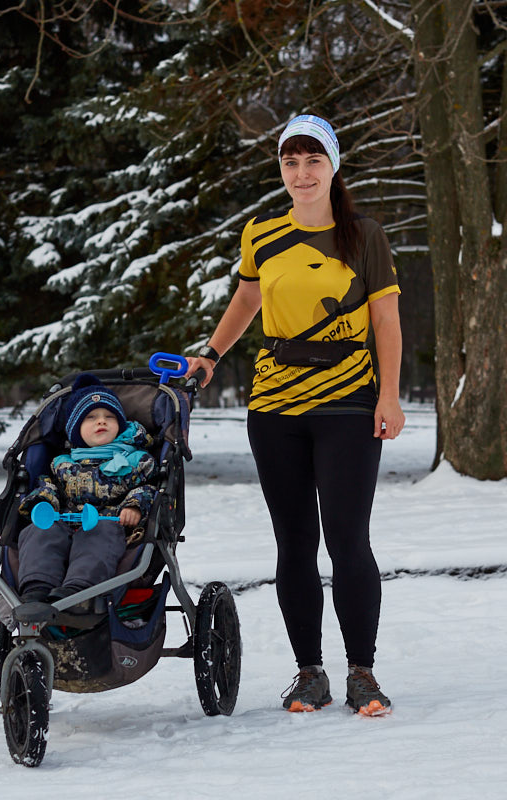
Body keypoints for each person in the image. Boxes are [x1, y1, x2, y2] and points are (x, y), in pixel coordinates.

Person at [187, 114, 405, 717]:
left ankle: (362, 672)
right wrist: (210, 353)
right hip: (276, 404)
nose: (302, 173)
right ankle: (310, 673)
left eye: (313, 161)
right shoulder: (261, 232)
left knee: (347, 540)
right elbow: (249, 298)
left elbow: (386, 322)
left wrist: (389, 396)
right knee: (294, 543)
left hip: (348, 401)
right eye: (291, 161)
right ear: (281, 168)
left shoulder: (364, 236)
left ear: (332, 167)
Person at [16, 374, 158, 603]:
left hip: (109, 524)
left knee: (98, 534)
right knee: (41, 530)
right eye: (91, 417)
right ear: (75, 430)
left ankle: (78, 591)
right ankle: (37, 588)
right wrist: (43, 501)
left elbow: (148, 487)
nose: (101, 421)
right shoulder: (62, 463)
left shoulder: (134, 461)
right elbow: (47, 484)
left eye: (109, 416)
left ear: (120, 425)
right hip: (64, 522)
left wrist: (134, 506)